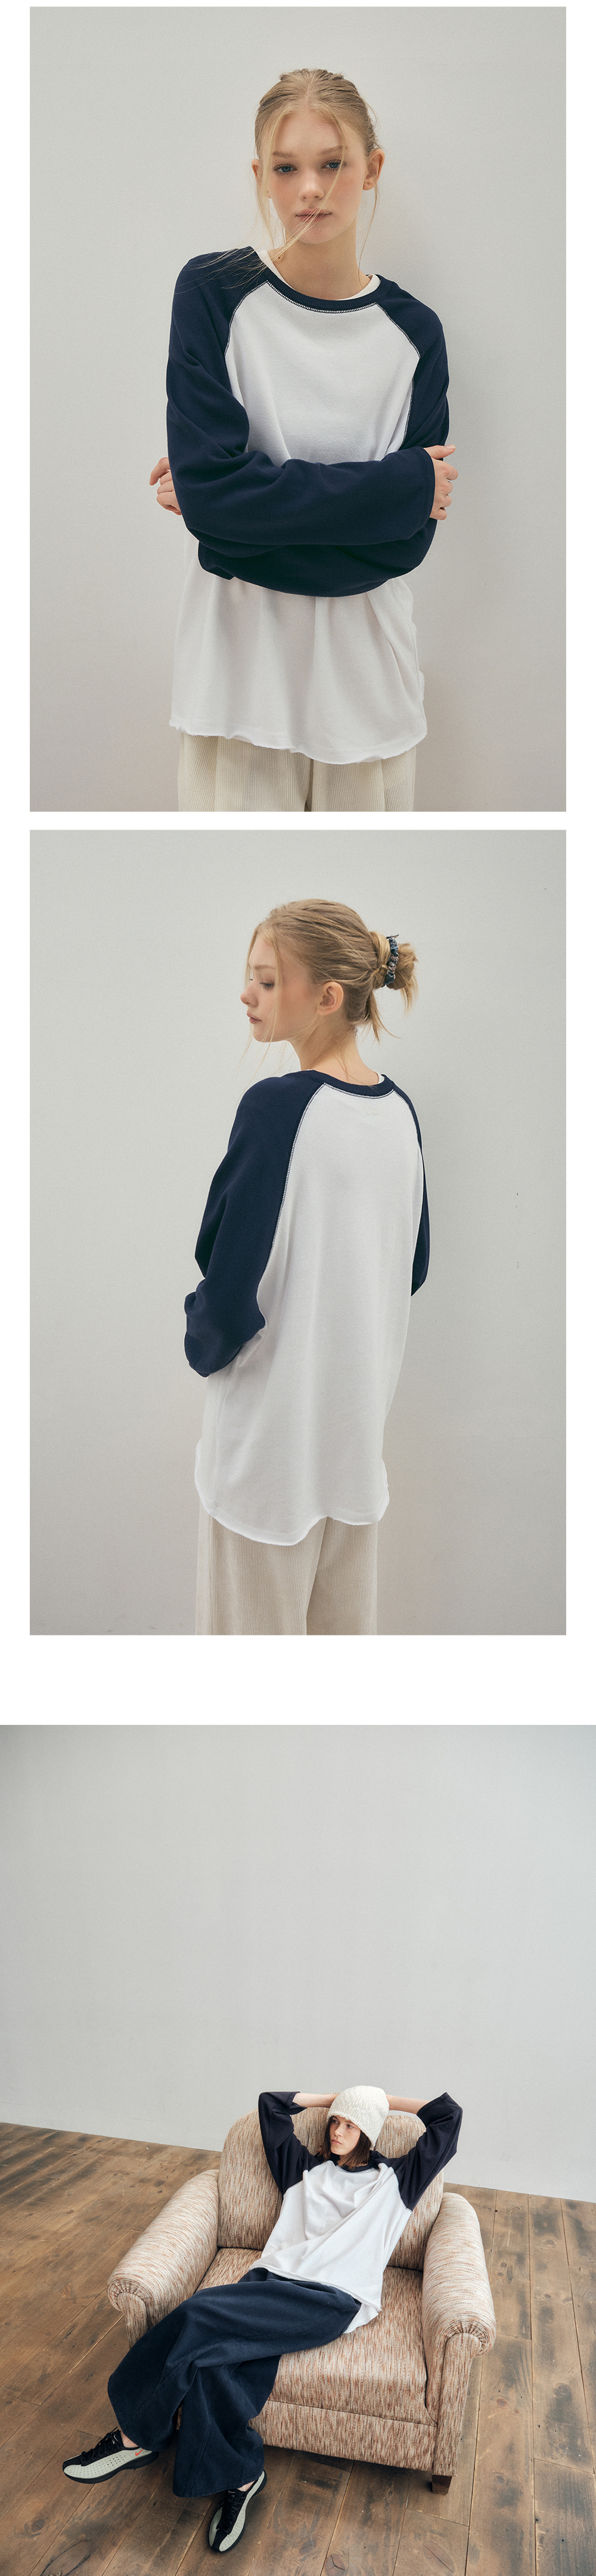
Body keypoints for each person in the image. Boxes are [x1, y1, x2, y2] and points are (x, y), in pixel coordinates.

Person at [150, 62, 455, 814]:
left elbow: (404, 547)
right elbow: (217, 504)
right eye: (286, 168)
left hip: (369, 693)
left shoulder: (414, 334)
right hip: (236, 689)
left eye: (333, 163)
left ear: (372, 169)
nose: (309, 189)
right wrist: (396, 487)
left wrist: (231, 516)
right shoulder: (212, 293)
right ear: (260, 176)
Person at [62, 2080, 462, 2547]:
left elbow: (449, 2117)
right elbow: (270, 2106)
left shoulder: (396, 2181)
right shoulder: (302, 2169)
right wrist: (337, 2097)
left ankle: (136, 2436)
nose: (337, 2131)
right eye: (335, 2121)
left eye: (351, 2125)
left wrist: (380, 2102)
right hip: (269, 2283)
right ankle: (243, 2477)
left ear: (369, 2132)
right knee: (212, 2368)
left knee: (197, 2313)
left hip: (330, 2299)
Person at [188, 901, 429, 1639]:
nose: (246, 994)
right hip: (352, 1455)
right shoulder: (400, 1114)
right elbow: (411, 1267)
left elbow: (227, 1287)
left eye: (266, 980)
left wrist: (202, 1340)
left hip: (266, 1463)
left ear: (326, 997)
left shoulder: (276, 1110)